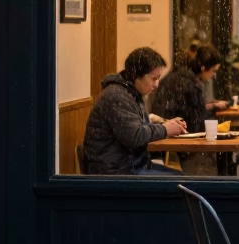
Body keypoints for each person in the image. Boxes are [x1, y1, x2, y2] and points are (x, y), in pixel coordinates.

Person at [81, 47, 186, 175]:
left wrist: (166, 125)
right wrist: (165, 129)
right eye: (154, 78)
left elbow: (136, 128)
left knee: (179, 176)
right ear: (136, 75)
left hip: (129, 166)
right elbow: (134, 136)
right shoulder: (117, 95)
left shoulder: (130, 93)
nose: (157, 85)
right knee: (178, 180)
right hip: (114, 172)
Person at [151, 44, 227, 133]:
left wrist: (210, 106)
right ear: (203, 68)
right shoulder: (191, 84)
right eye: (214, 71)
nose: (214, 75)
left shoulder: (179, 74)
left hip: (160, 128)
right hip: (175, 131)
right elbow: (197, 121)